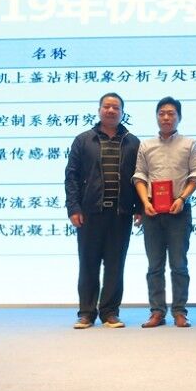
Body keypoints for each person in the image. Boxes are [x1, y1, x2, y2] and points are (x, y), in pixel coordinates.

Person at [66, 93, 140, 329]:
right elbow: (71, 176)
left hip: (121, 213)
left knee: (115, 265)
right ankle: (86, 313)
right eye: (106, 106)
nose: (111, 110)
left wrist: (140, 208)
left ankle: (110, 312)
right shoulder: (83, 140)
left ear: (122, 113)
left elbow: (139, 178)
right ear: (99, 110)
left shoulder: (132, 142)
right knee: (88, 263)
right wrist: (73, 207)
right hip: (89, 212)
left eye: (116, 107)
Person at [132, 97, 196, 328]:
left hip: (178, 209)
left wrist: (182, 198)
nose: (166, 117)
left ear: (179, 117)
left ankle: (180, 311)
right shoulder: (146, 145)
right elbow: (140, 176)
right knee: (154, 265)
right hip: (152, 210)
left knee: (179, 264)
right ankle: (157, 312)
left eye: (171, 113)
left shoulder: (190, 144)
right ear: (156, 117)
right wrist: (145, 202)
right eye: (162, 113)